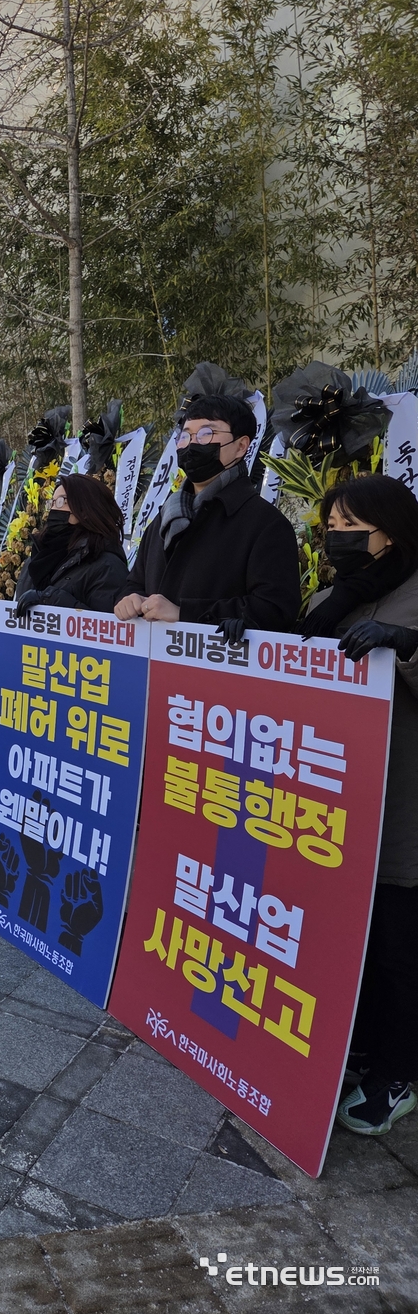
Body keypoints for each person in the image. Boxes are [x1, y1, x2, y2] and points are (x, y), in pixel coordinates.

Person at [299, 473, 418, 1135]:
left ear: (394, 531)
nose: (339, 540)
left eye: (354, 528)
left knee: (400, 947)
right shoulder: (328, 597)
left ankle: (399, 1071)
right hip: (331, 803)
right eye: (331, 528)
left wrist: (406, 648)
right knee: (354, 942)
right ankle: (362, 1050)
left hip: (401, 800)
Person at [114, 394, 300, 633]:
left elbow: (276, 610)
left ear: (241, 446)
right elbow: (135, 583)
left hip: (218, 666)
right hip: (156, 663)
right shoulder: (164, 517)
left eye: (206, 434)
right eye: (185, 436)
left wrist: (184, 613)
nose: (192, 444)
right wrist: (130, 598)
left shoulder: (265, 524)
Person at [15, 473, 130, 615]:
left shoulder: (108, 566)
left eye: (61, 501)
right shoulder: (38, 556)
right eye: (52, 502)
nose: (53, 509)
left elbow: (107, 630)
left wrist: (51, 599)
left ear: (86, 508)